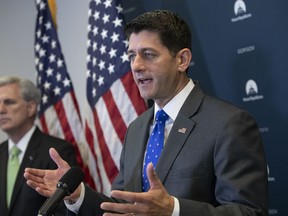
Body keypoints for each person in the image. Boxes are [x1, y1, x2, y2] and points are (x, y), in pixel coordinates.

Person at [24, 10, 268, 216]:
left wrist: (174, 209)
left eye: (148, 55)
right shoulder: (137, 128)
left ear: (182, 60)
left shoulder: (228, 123)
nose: (136, 65)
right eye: (132, 56)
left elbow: (248, 211)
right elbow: (123, 207)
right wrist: (78, 195)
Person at [0, 76, 78, 216]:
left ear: (30, 107)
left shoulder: (57, 151)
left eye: (9, 102)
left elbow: (63, 210)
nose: (1, 110)